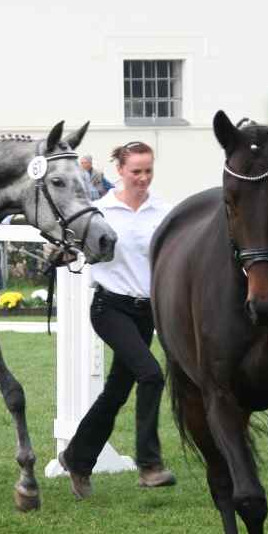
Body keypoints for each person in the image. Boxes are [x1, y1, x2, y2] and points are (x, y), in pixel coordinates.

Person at [57, 141, 176, 499]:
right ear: (121, 171)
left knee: (116, 392)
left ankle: (76, 458)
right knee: (152, 375)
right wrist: (64, 251)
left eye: (148, 171)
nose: (142, 178)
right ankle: (149, 464)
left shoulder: (163, 212)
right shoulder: (101, 210)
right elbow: (75, 245)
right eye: (136, 171)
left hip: (146, 313)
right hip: (110, 308)